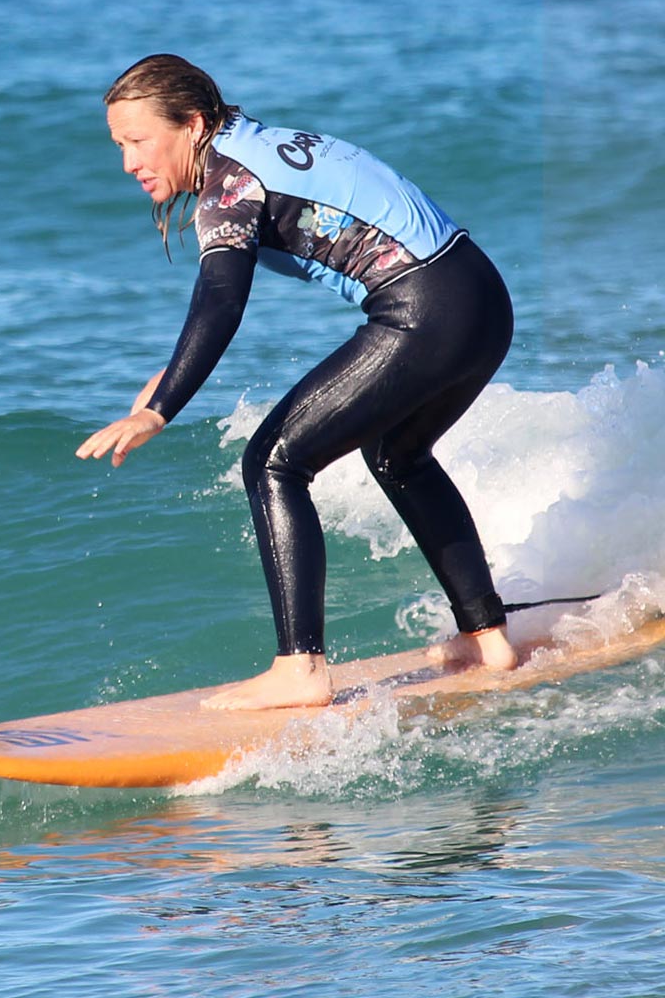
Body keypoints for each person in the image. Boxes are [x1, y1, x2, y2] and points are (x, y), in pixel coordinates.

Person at [76, 54, 517, 711]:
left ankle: (300, 669)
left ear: (192, 124)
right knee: (397, 455)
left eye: (138, 141)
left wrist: (160, 410)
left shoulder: (230, 181)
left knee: (274, 461)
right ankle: (487, 637)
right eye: (119, 145)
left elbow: (220, 301)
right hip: (478, 297)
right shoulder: (259, 144)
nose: (128, 162)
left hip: (423, 310)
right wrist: (173, 373)